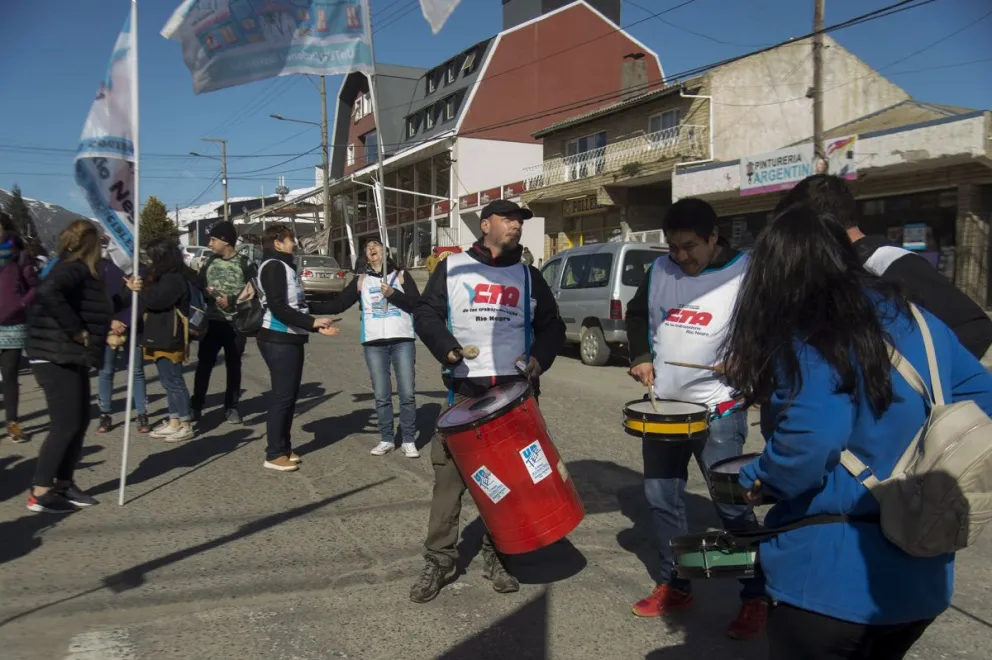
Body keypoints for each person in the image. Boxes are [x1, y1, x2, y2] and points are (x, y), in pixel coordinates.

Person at [723, 203, 992, 659]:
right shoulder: (919, 321)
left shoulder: (807, 332)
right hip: (920, 573)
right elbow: (982, 398)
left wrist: (760, 479)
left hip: (830, 582)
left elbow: (812, 439)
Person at [409, 199, 566, 603]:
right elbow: (425, 314)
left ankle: (499, 553)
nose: (516, 225)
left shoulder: (529, 276)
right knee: (449, 479)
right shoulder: (454, 266)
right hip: (464, 392)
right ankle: (439, 559)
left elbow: (552, 326)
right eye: (508, 218)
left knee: (511, 482)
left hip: (514, 395)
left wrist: (539, 360)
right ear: (485, 225)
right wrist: (447, 349)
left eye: (520, 221)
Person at [625, 197, 767, 640]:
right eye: (673, 247)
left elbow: (771, 329)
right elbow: (635, 316)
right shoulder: (660, 271)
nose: (680, 256)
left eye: (690, 246)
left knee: (730, 506)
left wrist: (748, 360)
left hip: (720, 410)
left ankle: (756, 595)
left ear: (713, 237)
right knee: (661, 499)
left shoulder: (747, 272)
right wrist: (643, 356)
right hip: (665, 408)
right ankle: (677, 582)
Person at [778, 174, 992, 360]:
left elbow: (974, 330)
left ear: (819, 226)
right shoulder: (845, 268)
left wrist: (921, 387)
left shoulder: (888, 262)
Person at [25, 220, 126, 513]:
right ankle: (40, 490)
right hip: (54, 355)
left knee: (79, 421)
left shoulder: (85, 271)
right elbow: (47, 293)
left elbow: (97, 308)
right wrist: (75, 330)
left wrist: (128, 292)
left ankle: (64, 483)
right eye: (100, 244)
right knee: (65, 424)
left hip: (71, 355)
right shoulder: (71, 267)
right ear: (88, 244)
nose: (103, 249)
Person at [323, 238, 422, 457]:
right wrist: (305, 307)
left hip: (402, 340)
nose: (372, 248)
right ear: (366, 256)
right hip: (374, 343)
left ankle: (408, 439)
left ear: (386, 251)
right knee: (381, 394)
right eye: (367, 248)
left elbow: (416, 304)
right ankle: (386, 438)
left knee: (407, 393)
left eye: (376, 245)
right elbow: (338, 304)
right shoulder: (361, 280)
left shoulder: (401, 276)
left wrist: (393, 295)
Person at [255, 224, 339, 473]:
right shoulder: (272, 266)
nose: (295, 244)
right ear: (278, 243)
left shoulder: (285, 266)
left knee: (289, 397)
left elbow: (299, 305)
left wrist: (314, 322)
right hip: (277, 338)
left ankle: (283, 447)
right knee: (282, 397)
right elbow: (279, 307)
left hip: (291, 338)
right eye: (291, 239)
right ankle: (273, 453)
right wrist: (312, 323)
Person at [128, 239, 194, 442]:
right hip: (159, 334)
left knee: (174, 381)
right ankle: (174, 420)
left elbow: (158, 300)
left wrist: (141, 290)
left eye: (152, 256)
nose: (149, 261)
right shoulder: (163, 277)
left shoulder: (174, 279)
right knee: (166, 381)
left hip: (170, 336)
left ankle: (185, 423)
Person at [191, 221, 256, 424]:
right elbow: (198, 285)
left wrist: (233, 299)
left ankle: (232, 407)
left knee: (234, 366)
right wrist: (206, 292)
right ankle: (196, 405)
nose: (210, 244)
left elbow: (254, 292)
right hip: (212, 322)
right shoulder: (209, 262)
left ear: (225, 241)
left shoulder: (245, 264)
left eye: (213, 240)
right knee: (204, 365)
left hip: (235, 324)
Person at [95, 253, 149, 435]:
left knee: (136, 370)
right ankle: (105, 413)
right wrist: (111, 321)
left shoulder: (140, 268)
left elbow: (142, 299)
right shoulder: (99, 267)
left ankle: (142, 413)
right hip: (108, 325)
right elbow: (96, 299)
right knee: (106, 370)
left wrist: (125, 322)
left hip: (134, 325)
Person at [0, 211, 38, 444]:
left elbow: (35, 288)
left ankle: (12, 422)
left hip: (13, 325)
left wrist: (20, 304)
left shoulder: (20, 256)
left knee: (10, 377)